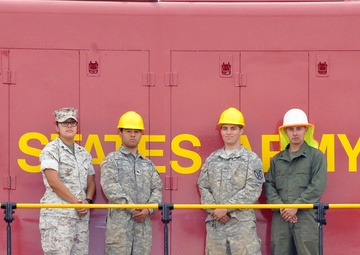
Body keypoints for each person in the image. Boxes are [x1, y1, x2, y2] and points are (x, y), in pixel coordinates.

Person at [198, 107, 264, 255]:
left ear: (241, 131)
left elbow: (253, 189)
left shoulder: (252, 159)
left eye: (233, 128)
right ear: (220, 131)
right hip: (216, 231)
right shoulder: (212, 159)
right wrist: (215, 210)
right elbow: (203, 186)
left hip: (242, 230)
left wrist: (226, 208)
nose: (228, 132)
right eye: (225, 128)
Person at [264, 108, 327, 255]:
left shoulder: (316, 157)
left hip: (306, 218)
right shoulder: (277, 160)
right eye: (291, 129)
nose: (295, 133)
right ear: (285, 132)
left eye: (299, 128)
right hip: (281, 218)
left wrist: (295, 206)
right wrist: (282, 208)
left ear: (306, 130)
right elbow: (269, 186)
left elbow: (318, 185)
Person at [100, 111, 163, 255]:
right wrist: (132, 208)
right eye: (128, 131)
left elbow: (157, 189)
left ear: (141, 134)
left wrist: (148, 209)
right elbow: (111, 188)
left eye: (136, 131)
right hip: (119, 231)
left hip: (142, 232)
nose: (133, 135)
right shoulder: (111, 160)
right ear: (120, 133)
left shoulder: (148, 164)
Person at [39, 107, 96, 255]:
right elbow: (53, 181)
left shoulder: (84, 153)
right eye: (64, 123)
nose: (69, 126)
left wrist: (88, 201)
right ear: (57, 127)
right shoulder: (51, 149)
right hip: (58, 218)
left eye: (72, 122)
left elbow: (91, 181)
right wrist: (76, 202)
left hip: (80, 218)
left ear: (77, 126)